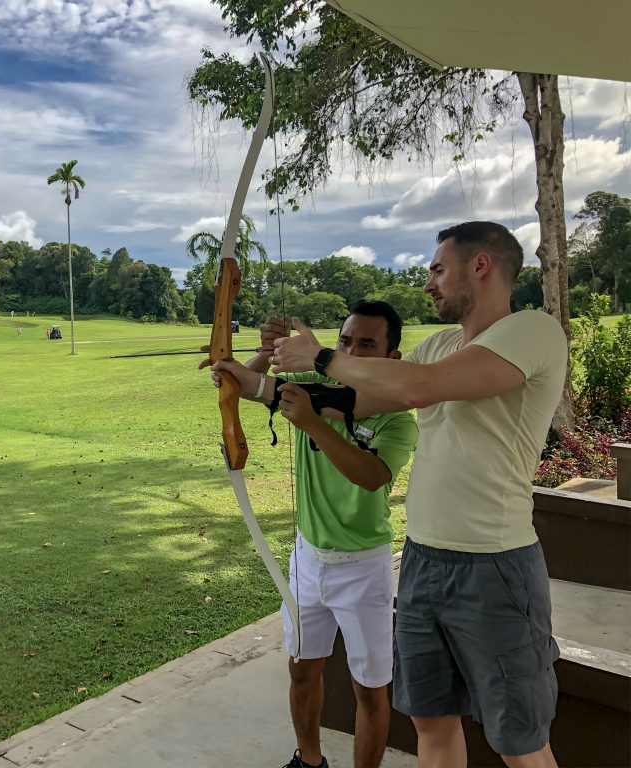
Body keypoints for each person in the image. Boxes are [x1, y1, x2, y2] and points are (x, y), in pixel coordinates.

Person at [263, 222, 568, 768]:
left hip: (494, 565)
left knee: (518, 738)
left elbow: (415, 388)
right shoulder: (440, 344)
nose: (429, 283)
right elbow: (355, 398)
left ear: (480, 266)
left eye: (436, 269)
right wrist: (257, 378)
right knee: (431, 720)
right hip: (424, 561)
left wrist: (322, 357)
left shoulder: (533, 330)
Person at [208, 301, 418, 768]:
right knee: (303, 671)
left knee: (370, 687)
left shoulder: (396, 417)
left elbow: (370, 475)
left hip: (364, 566)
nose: (352, 351)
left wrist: (313, 424)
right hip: (308, 560)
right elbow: (248, 385)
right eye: (344, 341)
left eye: (367, 344)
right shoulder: (310, 388)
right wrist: (258, 355)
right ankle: (309, 761)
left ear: (393, 357)